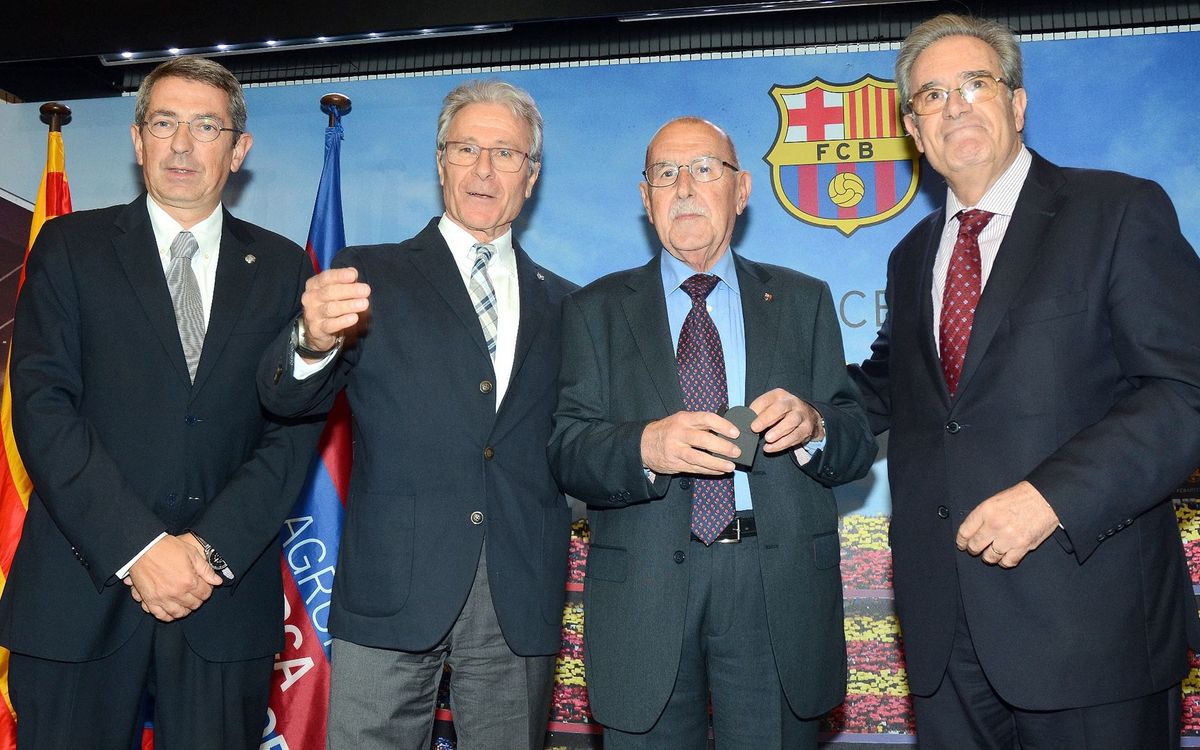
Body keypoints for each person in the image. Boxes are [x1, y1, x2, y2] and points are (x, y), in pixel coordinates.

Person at [849, 13, 1200, 747]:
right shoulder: (912, 255)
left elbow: (1183, 392)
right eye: (931, 95)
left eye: (975, 84)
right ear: (913, 130)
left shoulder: (1117, 210)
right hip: (946, 638)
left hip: (1091, 627)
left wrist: (1052, 498)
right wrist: (811, 417)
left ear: (1016, 103)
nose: (954, 106)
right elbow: (891, 388)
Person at [0, 56, 323, 748]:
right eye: (164, 123)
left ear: (238, 149)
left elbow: (292, 430)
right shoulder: (69, 247)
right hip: (78, 596)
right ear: (137, 139)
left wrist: (207, 551)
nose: (181, 144)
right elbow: (43, 408)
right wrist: (141, 548)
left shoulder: (284, 269)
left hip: (222, 602)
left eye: (206, 127)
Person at [256, 79, 575, 749]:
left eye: (505, 153)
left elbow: (574, 442)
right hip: (389, 585)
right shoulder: (367, 275)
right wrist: (310, 342)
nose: (483, 169)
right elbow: (288, 399)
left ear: (532, 174)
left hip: (517, 592)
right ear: (440, 161)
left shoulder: (567, 305)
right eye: (466, 148)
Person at [548, 116, 876, 748]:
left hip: (773, 587)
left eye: (704, 169)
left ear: (741, 189)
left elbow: (856, 440)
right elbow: (567, 450)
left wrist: (814, 426)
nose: (685, 188)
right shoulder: (593, 311)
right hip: (644, 589)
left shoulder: (804, 300)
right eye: (666, 174)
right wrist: (645, 447)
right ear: (645, 198)